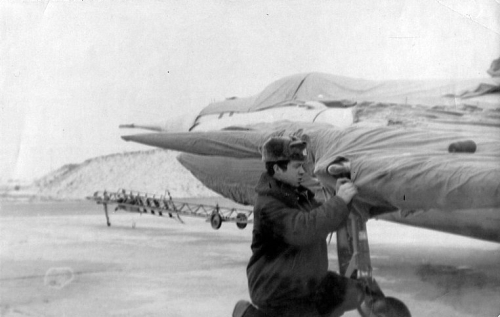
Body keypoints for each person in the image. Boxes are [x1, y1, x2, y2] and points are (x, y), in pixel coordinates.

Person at [233, 136, 364, 317]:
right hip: (279, 289)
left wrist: (342, 200)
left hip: (307, 281)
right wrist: (339, 201)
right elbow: (304, 229)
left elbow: (324, 220)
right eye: (296, 167)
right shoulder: (268, 204)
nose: (303, 171)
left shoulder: (296, 194)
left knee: (359, 294)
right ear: (278, 169)